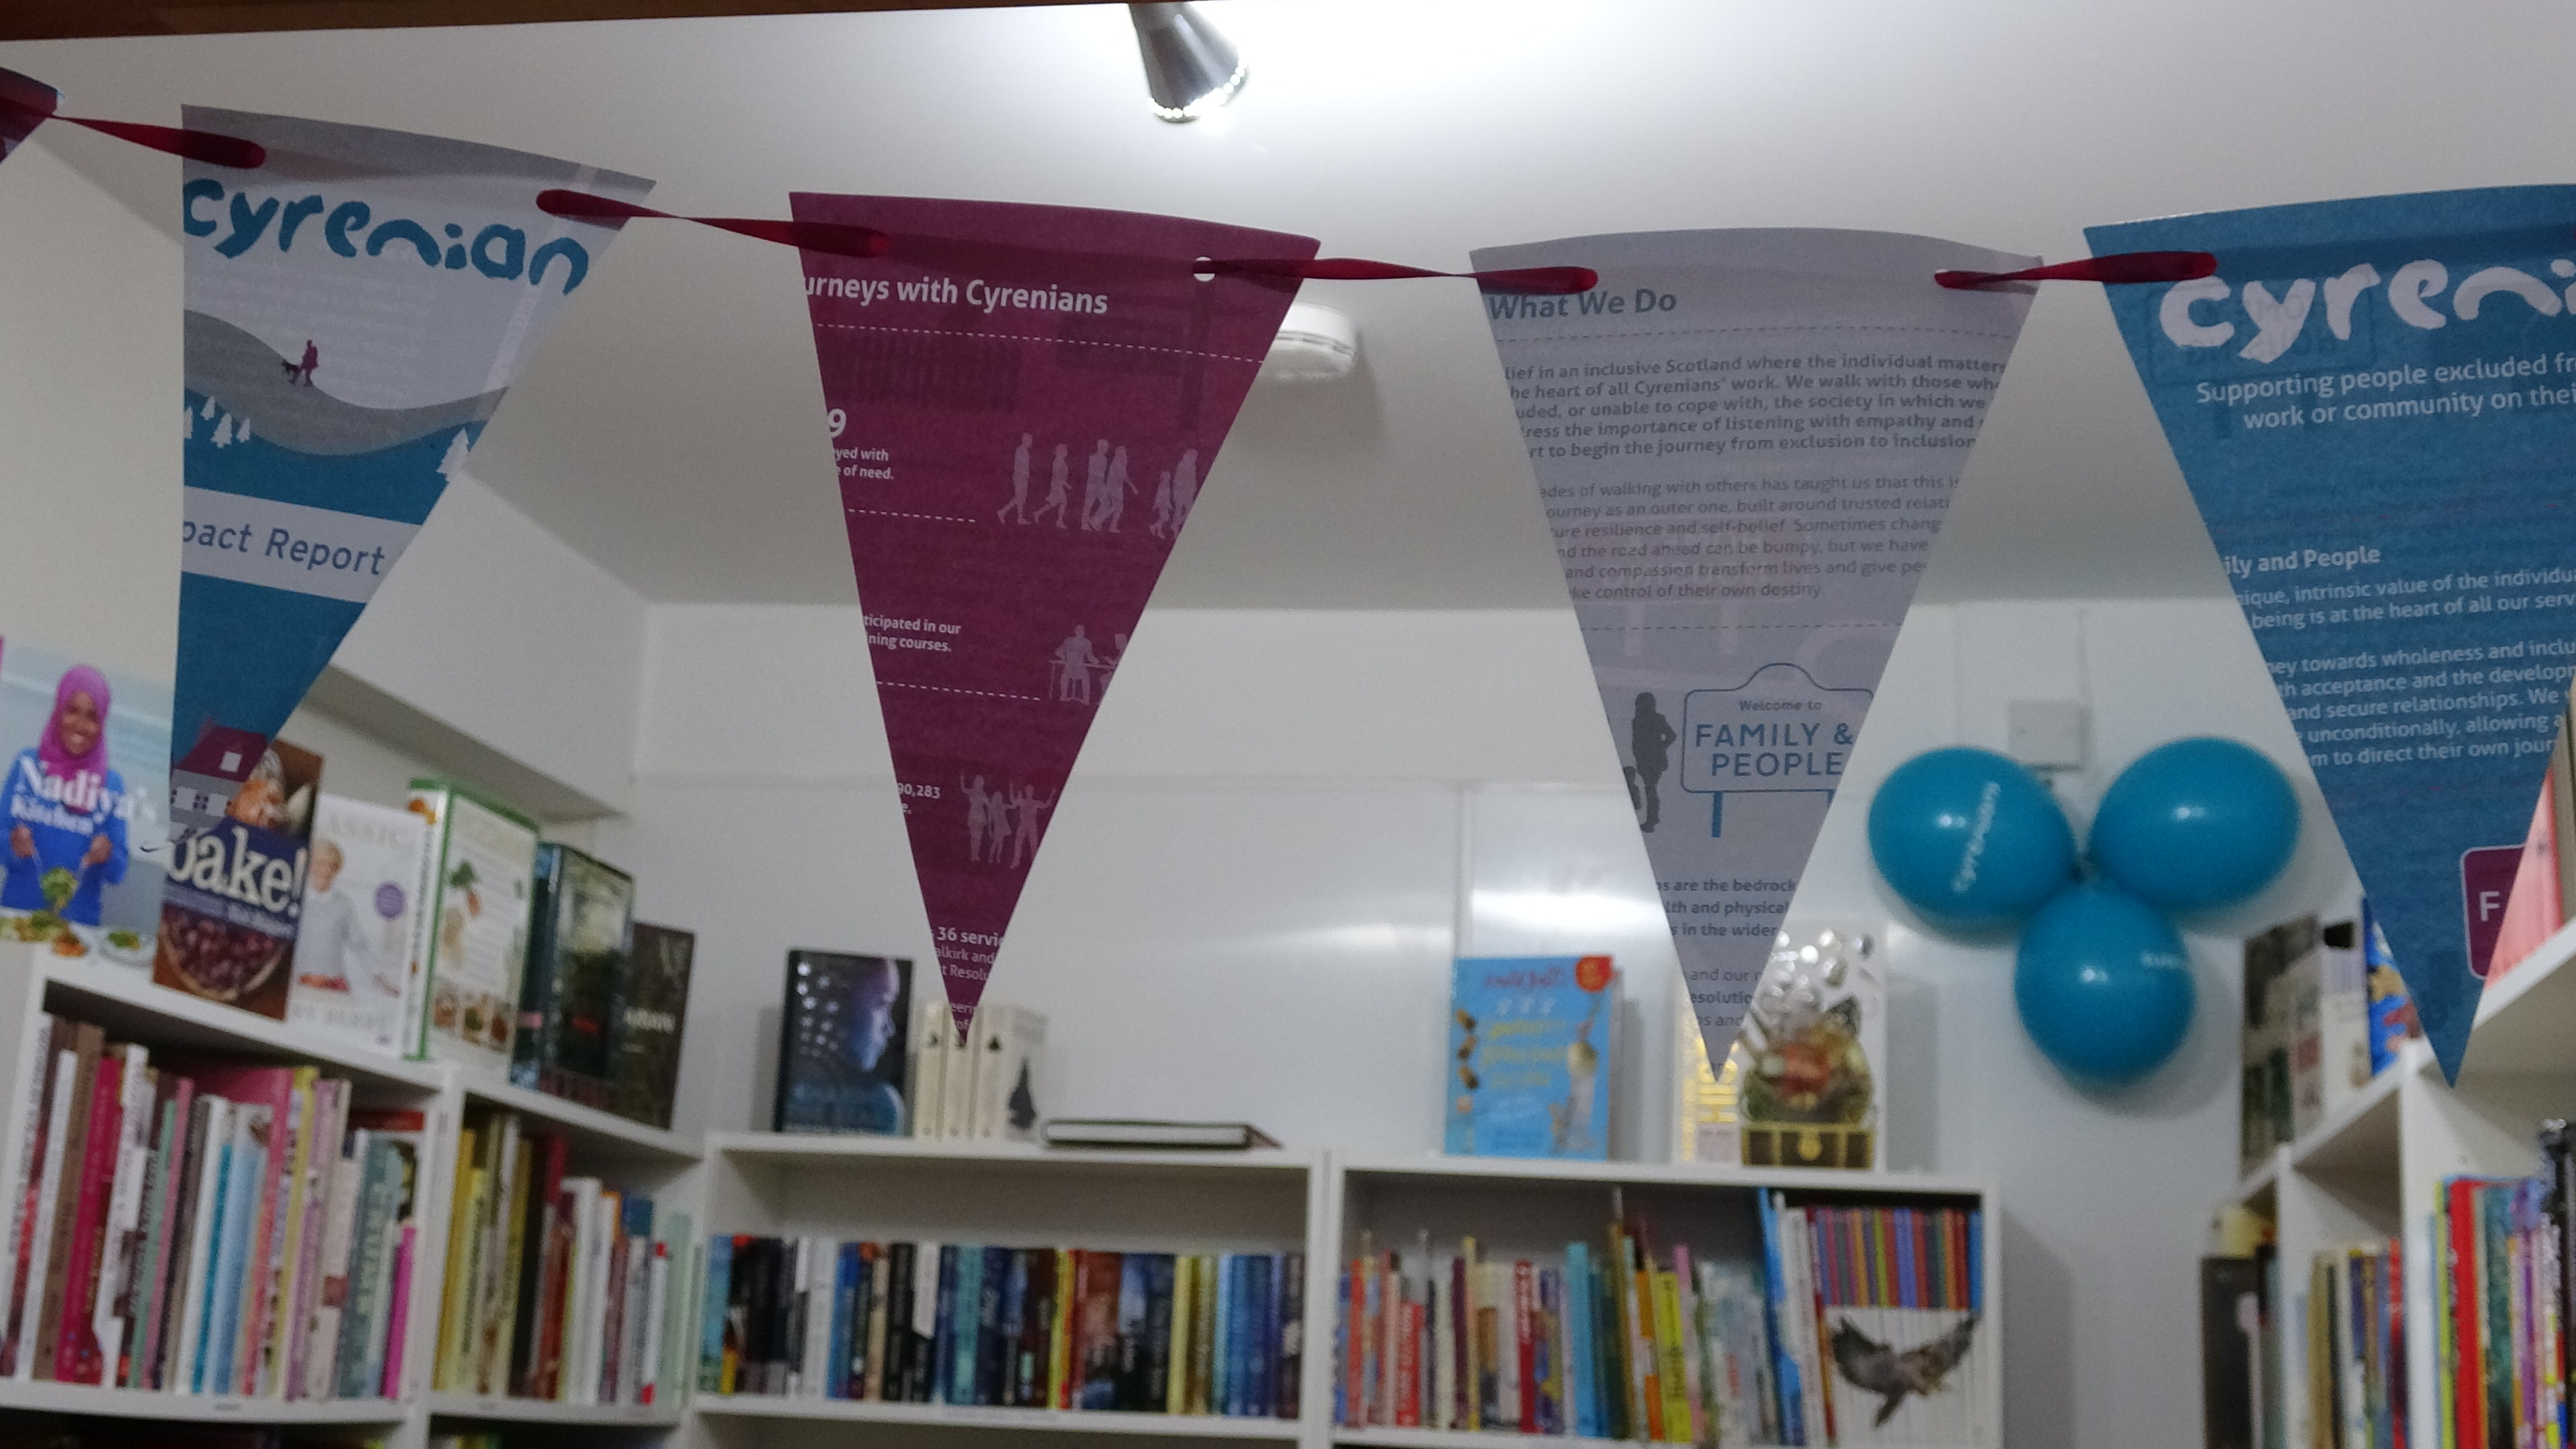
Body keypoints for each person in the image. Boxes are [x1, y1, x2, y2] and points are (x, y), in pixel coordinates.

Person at [3, 665, 129, 926]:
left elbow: (118, 872)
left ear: (102, 722)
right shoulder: (27, 766)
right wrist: (12, 844)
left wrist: (107, 855)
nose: (81, 726)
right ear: (58, 709)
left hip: (76, 929)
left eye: (93, 717)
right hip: (17, 919)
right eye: (72, 711)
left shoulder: (112, 786)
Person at [833, 955, 908, 1133]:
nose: (890, 1029)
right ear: (844, 1001)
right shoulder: (884, 1106)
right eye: (882, 1003)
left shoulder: (886, 1107)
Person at [292, 838, 362, 991]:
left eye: (333, 866)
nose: (327, 871)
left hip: (333, 985)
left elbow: (360, 944)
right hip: (297, 983)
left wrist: (380, 977)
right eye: (321, 864)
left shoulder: (344, 905)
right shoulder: (294, 898)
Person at [1630, 691, 1676, 833]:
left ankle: (1652, 819)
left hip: (1655, 760)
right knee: (1650, 788)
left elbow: (1671, 736)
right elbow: (1637, 741)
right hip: (1643, 759)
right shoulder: (1637, 720)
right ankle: (1652, 818)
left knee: (1651, 789)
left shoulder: (1657, 719)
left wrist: (1660, 748)